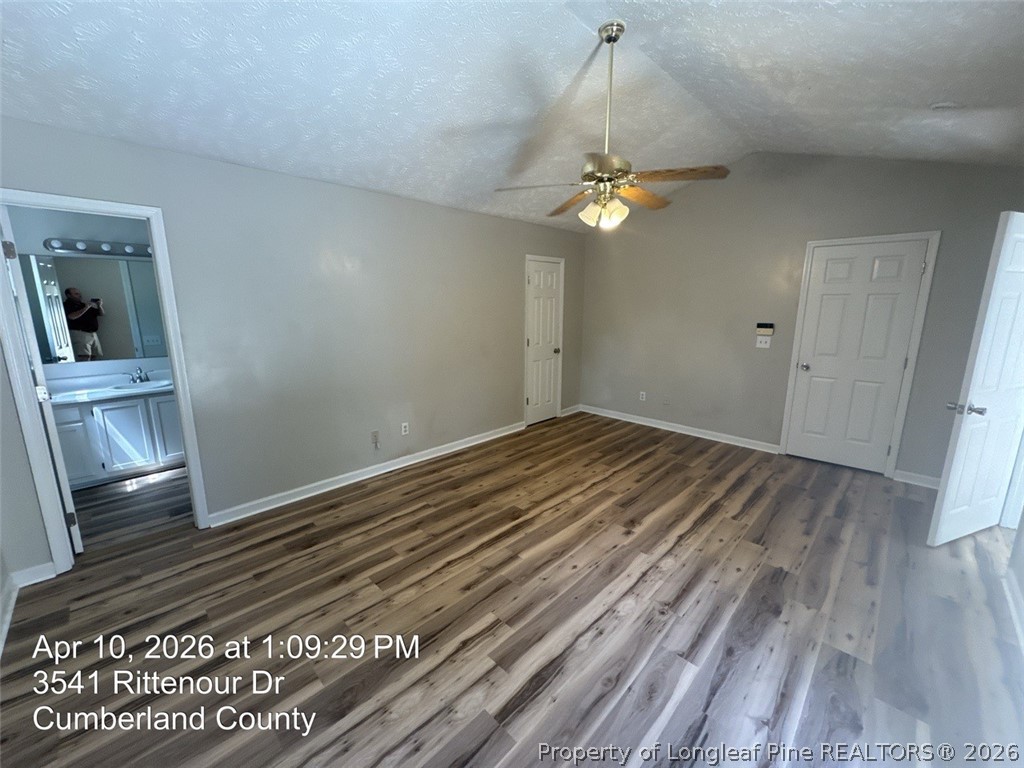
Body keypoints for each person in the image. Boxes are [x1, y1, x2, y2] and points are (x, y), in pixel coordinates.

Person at [63, 287, 104, 361]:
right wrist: (86, 307)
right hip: (80, 333)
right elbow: (71, 317)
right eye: (76, 294)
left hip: (93, 334)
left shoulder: (83, 304)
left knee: (95, 356)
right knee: (84, 357)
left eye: (79, 293)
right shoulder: (66, 305)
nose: (79, 295)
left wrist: (99, 305)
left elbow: (101, 314)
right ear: (68, 295)